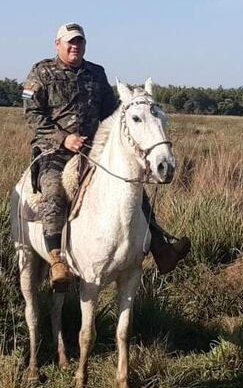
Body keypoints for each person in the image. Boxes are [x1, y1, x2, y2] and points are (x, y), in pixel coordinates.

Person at [23, 23, 191, 290]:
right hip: (54, 152)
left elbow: (112, 113)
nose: (75, 46)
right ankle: (57, 261)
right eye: (70, 42)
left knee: (132, 188)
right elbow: (32, 114)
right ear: (58, 44)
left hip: (94, 151)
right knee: (54, 191)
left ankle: (161, 248)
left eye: (79, 41)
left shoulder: (96, 74)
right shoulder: (41, 72)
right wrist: (63, 139)